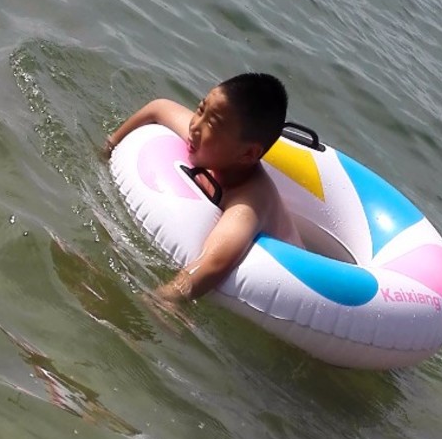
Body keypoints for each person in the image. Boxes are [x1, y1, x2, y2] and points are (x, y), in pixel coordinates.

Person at [103, 72, 299, 311]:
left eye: (212, 124)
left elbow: (215, 261)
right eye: (200, 109)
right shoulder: (207, 141)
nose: (195, 126)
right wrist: (109, 146)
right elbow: (158, 108)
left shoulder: (249, 200)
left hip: (292, 279)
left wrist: (169, 296)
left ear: (248, 153)